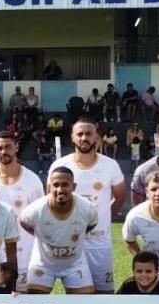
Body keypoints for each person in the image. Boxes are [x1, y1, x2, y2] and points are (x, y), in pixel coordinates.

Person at [50, 118, 126, 294]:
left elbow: (120, 197)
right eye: (80, 134)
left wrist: (101, 216)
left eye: (89, 134)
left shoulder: (110, 165)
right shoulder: (60, 166)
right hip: (71, 242)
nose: (84, 137)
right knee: (76, 293)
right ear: (72, 137)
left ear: (97, 137)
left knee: (104, 293)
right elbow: (51, 201)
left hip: (100, 241)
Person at [20, 167, 98, 294]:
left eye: (65, 185)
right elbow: (23, 221)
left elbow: (91, 224)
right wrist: (40, 235)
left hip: (75, 263)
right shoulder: (36, 209)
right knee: (34, 301)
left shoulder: (87, 208)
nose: (60, 190)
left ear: (74, 186)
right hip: (43, 263)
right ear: (49, 187)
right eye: (56, 185)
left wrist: (78, 234)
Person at [0, 131, 44, 292]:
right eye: (0, 148)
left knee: (23, 297)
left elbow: (41, 218)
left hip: (25, 249)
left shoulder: (32, 181)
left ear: (16, 147)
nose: (4, 151)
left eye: (8, 147)